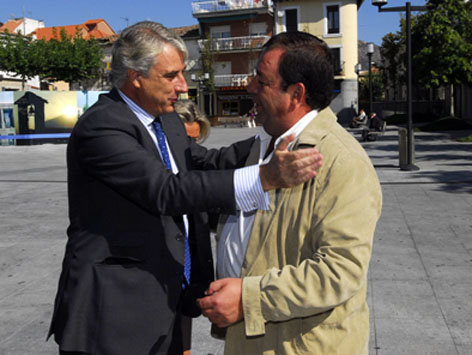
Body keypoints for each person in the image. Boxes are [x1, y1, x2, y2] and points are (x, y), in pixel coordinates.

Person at [47, 22, 323, 355]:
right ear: (136, 75)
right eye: (171, 75)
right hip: (113, 315)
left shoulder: (166, 120)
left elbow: (204, 163)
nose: (183, 87)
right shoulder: (102, 126)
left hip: (166, 304)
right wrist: (265, 177)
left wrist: (272, 134)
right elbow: (166, 191)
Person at [197, 31, 382, 354]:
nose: (250, 88)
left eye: (261, 81)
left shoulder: (342, 161)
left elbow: (339, 272)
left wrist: (247, 298)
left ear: (296, 94)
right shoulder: (265, 144)